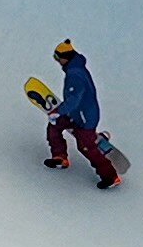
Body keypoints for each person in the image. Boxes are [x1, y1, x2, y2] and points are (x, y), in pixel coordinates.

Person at [42, 40, 118, 187]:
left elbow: (73, 100)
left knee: (85, 147)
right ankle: (60, 157)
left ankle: (111, 177)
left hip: (85, 119)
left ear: (66, 57)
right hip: (76, 114)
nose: (57, 61)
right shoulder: (75, 68)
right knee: (54, 126)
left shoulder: (74, 74)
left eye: (58, 58)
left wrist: (58, 111)